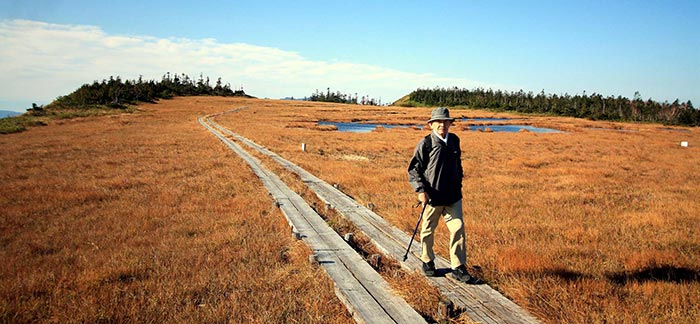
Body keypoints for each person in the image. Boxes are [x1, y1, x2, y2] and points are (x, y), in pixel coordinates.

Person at [407, 107, 482, 284]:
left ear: (450, 124)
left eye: (446, 121)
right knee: (427, 230)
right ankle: (427, 261)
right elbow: (414, 170)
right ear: (431, 124)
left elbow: (458, 165)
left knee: (458, 228)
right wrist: (420, 191)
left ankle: (458, 267)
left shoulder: (455, 140)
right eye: (438, 122)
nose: (442, 124)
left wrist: (459, 182)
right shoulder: (426, 143)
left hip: (453, 197)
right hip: (433, 197)